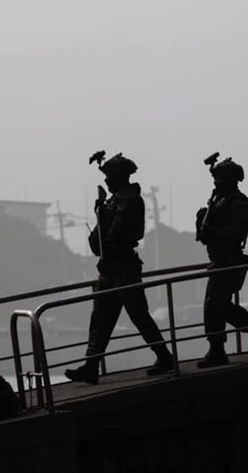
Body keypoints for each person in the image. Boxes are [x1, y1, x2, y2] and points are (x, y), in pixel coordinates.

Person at [65, 153, 174, 384]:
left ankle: (164, 356)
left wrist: (115, 226)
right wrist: (102, 217)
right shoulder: (112, 202)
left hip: (125, 267)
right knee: (100, 319)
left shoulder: (132, 200)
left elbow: (136, 233)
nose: (106, 181)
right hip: (109, 270)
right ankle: (91, 365)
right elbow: (98, 242)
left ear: (119, 177)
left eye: (109, 176)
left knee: (139, 315)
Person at [195, 156, 248, 368]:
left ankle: (218, 349)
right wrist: (202, 223)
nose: (216, 183)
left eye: (220, 179)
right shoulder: (218, 201)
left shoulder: (239, 203)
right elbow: (207, 234)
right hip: (218, 260)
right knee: (217, 306)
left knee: (215, 305)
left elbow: (236, 232)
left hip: (230, 260)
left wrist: (211, 229)